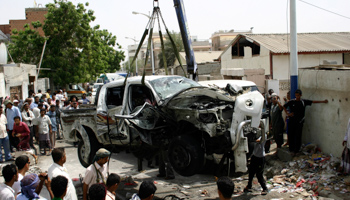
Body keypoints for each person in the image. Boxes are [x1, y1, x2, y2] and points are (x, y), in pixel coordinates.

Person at [283, 89, 328, 154]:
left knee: (298, 135)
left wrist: (323, 101)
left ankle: (297, 150)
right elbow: (284, 106)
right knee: (291, 135)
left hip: (299, 122)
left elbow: (313, 102)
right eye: (296, 95)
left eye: (298, 95)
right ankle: (291, 149)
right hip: (292, 121)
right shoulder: (292, 101)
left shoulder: (303, 102)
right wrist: (288, 114)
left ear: (300, 95)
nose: (297, 97)